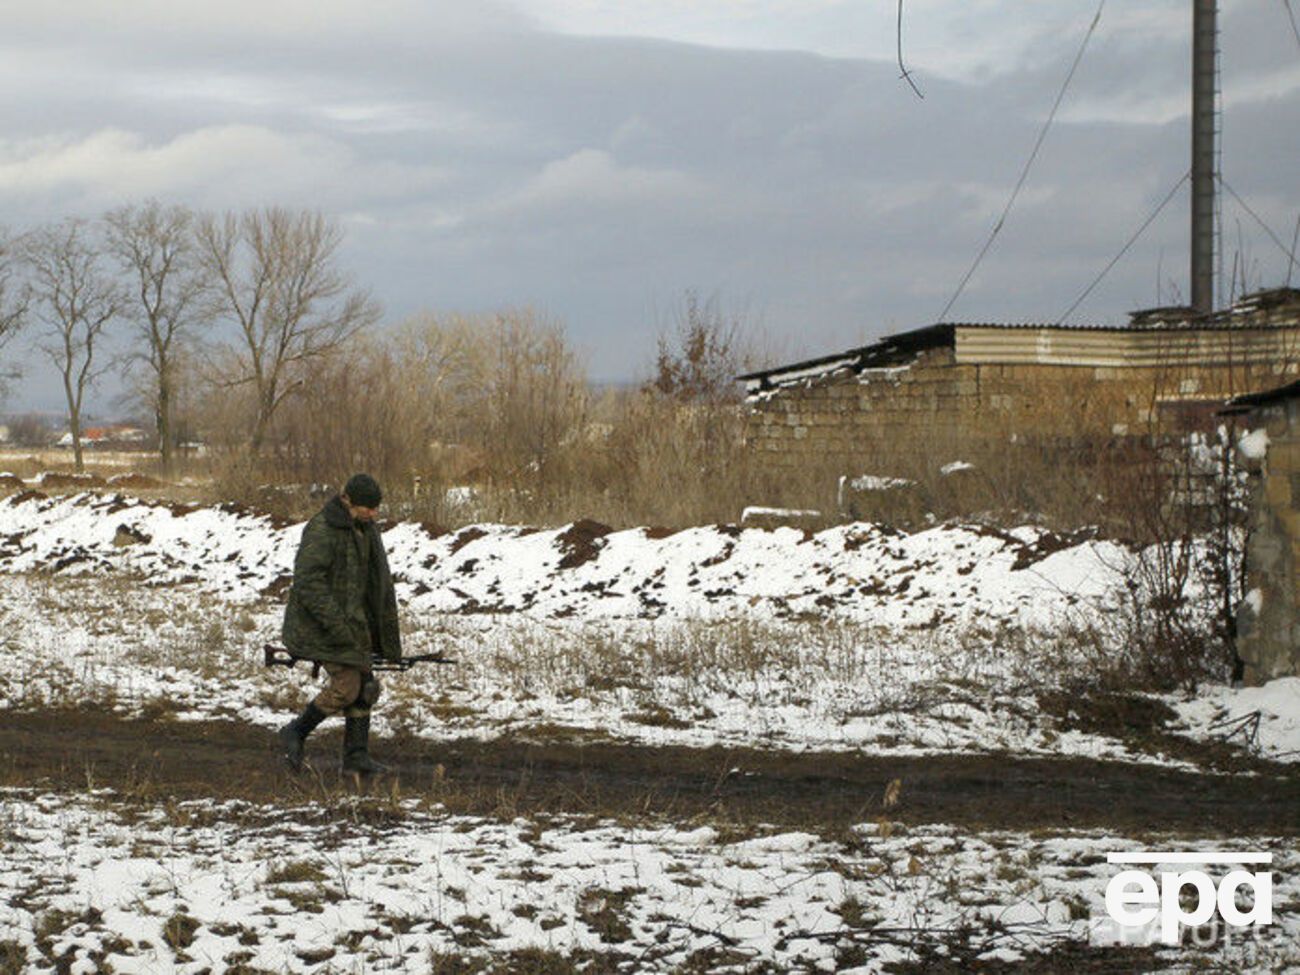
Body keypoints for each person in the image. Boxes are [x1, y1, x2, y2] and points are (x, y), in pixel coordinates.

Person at [277, 473, 403, 775]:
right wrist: (338, 627)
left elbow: (374, 582)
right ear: (349, 501)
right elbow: (309, 585)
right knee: (347, 687)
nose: (374, 514)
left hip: (353, 624)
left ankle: (356, 757)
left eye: (376, 509)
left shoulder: (364, 529)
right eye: (368, 508)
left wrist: (376, 630)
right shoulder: (322, 529)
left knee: (365, 688)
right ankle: (295, 731)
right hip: (318, 626)